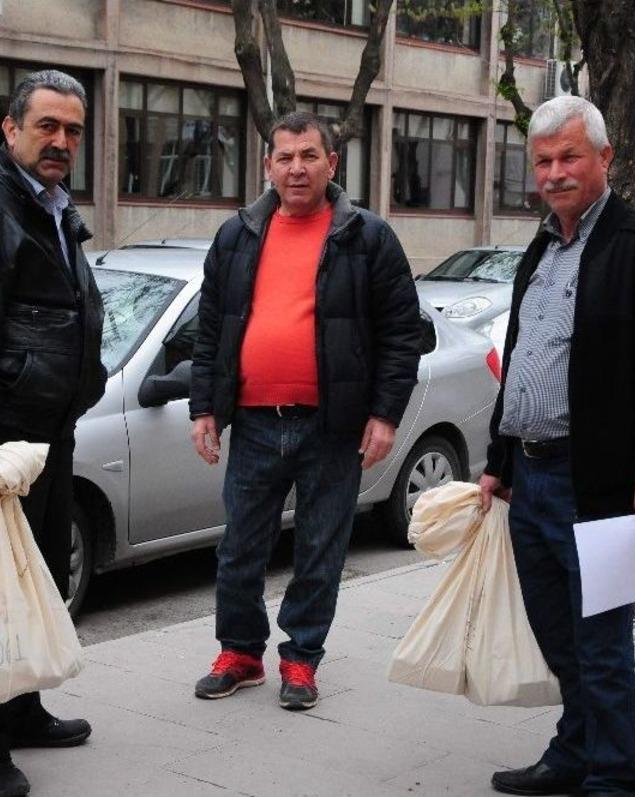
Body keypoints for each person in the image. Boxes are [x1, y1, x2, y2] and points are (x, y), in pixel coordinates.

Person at [478, 96, 635, 797]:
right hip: (533, 478)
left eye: (569, 156)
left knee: (601, 647)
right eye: (543, 161)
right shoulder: (543, 246)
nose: (555, 172)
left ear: (604, 157)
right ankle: (574, 751)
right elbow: (523, 356)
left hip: (597, 481)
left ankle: (612, 778)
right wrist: (498, 462)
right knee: (558, 637)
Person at [188, 111, 422, 711]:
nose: (296, 167)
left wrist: (385, 414)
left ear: (332, 164)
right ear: (268, 165)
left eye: (309, 156)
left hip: (332, 426)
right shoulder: (237, 235)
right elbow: (211, 327)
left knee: (321, 548)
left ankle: (301, 660)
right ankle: (240, 654)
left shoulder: (366, 237)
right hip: (257, 422)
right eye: (285, 157)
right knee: (239, 548)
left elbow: (401, 333)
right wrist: (204, 408)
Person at [0, 69, 106, 797]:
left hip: (47, 435)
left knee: (36, 586)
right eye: (47, 127)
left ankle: (23, 709)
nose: (61, 141)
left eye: (72, 130)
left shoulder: (51, 206)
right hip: (1, 444)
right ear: (11, 130)